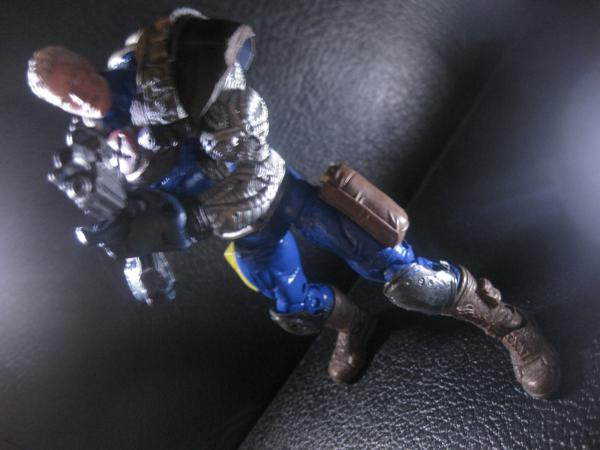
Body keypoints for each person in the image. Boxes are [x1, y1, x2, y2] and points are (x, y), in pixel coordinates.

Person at [27, 8, 560, 398]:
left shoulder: (166, 67)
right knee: (295, 309)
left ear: (83, 64)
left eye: (73, 80)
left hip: (279, 193)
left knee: (404, 276)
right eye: (60, 97)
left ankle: (506, 321)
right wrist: (140, 256)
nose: (76, 96)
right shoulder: (92, 152)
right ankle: (355, 325)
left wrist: (188, 220)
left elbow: (251, 154)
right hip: (242, 234)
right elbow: (134, 220)